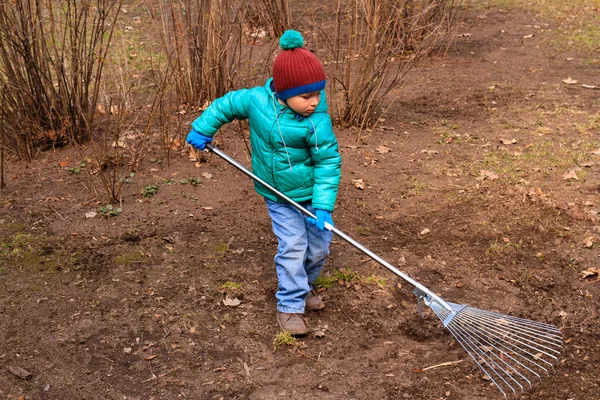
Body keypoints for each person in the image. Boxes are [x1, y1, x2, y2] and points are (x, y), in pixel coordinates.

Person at [186, 30, 341, 335]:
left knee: (320, 248)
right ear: (283, 92)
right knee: (294, 246)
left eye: (318, 94)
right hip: (278, 195)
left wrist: (323, 206)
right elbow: (225, 105)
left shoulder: (317, 121)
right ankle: (289, 306)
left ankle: (304, 287)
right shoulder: (257, 101)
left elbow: (327, 162)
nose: (314, 102)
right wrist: (203, 127)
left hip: (310, 195)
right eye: (306, 96)